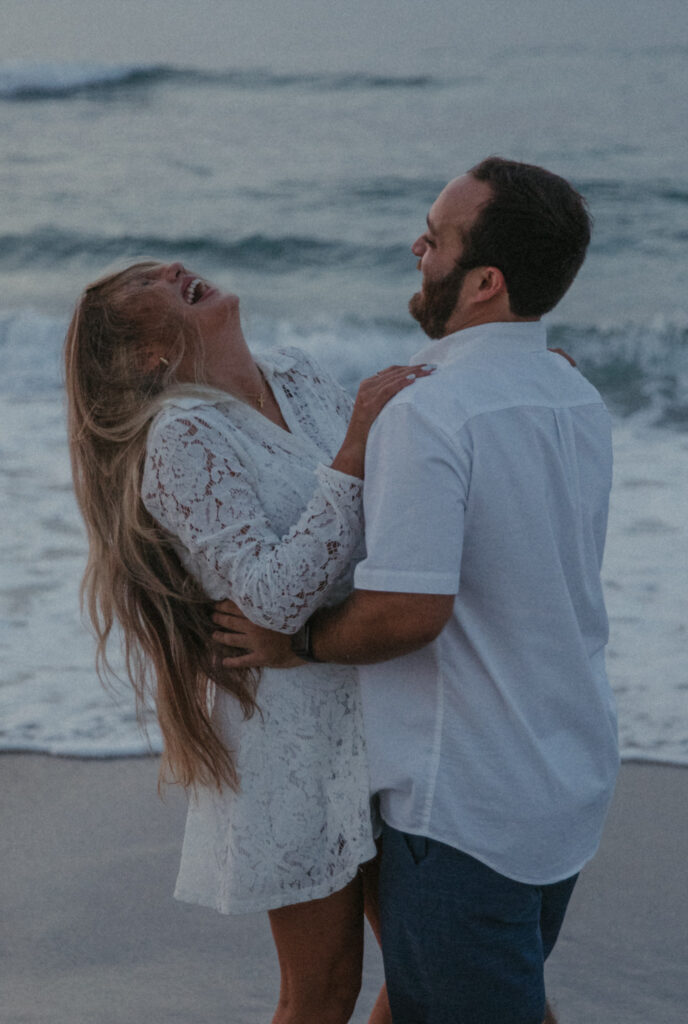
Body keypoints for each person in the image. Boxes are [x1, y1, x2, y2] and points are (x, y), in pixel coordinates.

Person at [213, 157, 620, 1024]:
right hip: (564, 781)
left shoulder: (429, 411)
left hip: (464, 809)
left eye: (434, 240)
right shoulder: (576, 394)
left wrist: (300, 642)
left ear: (483, 282)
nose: (416, 248)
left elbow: (411, 612)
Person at [64, 260, 435, 1024]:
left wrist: (514, 376)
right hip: (288, 732)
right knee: (322, 994)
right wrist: (356, 446)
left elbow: (389, 486)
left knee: (434, 971)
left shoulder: (294, 373)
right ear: (147, 357)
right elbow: (271, 598)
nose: (172, 268)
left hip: (378, 701)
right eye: (148, 286)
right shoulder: (180, 440)